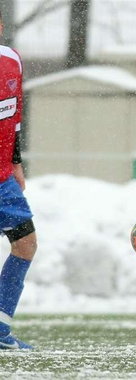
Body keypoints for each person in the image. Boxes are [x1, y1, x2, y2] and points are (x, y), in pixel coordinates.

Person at [0, 9, 37, 350]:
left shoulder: (12, 60)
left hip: (3, 181)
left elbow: (15, 115)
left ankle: (0, 330)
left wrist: (15, 162)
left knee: (25, 244)